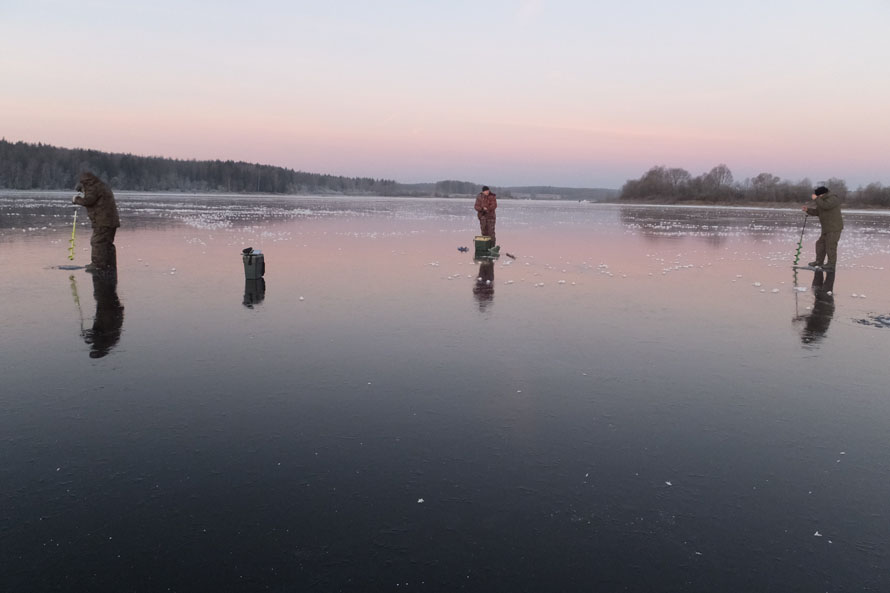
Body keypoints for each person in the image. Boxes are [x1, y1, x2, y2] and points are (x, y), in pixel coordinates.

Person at [73, 172, 120, 272]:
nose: (83, 192)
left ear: (84, 183)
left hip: (103, 221)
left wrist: (76, 199)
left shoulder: (92, 186)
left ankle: (97, 265)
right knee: (107, 243)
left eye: (82, 190)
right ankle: (109, 264)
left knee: (97, 241)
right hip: (111, 221)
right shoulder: (101, 185)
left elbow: (88, 201)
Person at [802, 185, 843, 270]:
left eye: (819, 196)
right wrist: (808, 210)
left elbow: (826, 206)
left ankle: (831, 264)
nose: (818, 197)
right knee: (820, 244)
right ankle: (819, 261)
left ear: (823, 194)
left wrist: (816, 199)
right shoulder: (822, 200)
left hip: (834, 228)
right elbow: (818, 211)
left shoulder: (833, 198)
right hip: (826, 228)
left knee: (830, 246)